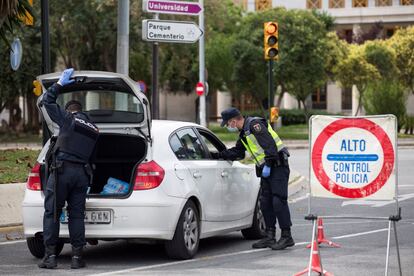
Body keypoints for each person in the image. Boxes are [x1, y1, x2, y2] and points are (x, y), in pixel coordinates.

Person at [39, 68, 99, 269]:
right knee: (76, 215)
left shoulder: (68, 119)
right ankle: (76, 258)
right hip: (82, 175)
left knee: (52, 213)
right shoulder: (94, 130)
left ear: (70, 110)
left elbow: (47, 101)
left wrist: (59, 84)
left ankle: (50, 257)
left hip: (62, 172)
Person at [212, 107, 294, 250]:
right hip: (267, 170)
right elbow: (238, 152)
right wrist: (217, 155)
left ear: (233, 121)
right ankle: (270, 236)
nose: (228, 127)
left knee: (278, 201)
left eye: (227, 124)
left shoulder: (255, 125)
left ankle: (287, 236)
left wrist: (268, 164)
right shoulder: (244, 133)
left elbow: (270, 145)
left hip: (278, 166)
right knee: (265, 202)